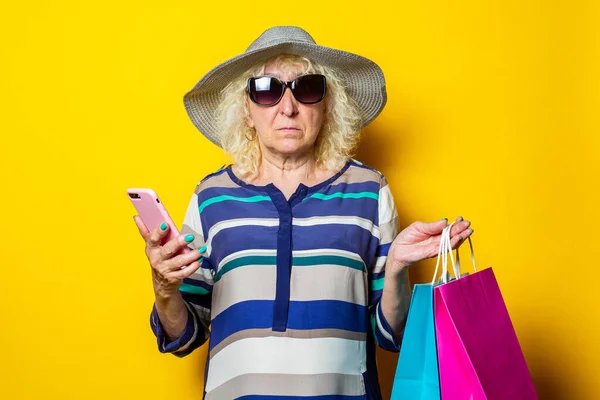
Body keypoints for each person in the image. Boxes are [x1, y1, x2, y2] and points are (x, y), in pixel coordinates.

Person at [133, 26, 473, 400]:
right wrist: (164, 289)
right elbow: (185, 335)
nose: (288, 108)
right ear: (246, 111)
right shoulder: (211, 197)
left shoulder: (369, 190)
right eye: (267, 91)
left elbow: (390, 335)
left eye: (307, 89)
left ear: (327, 107)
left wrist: (396, 268)